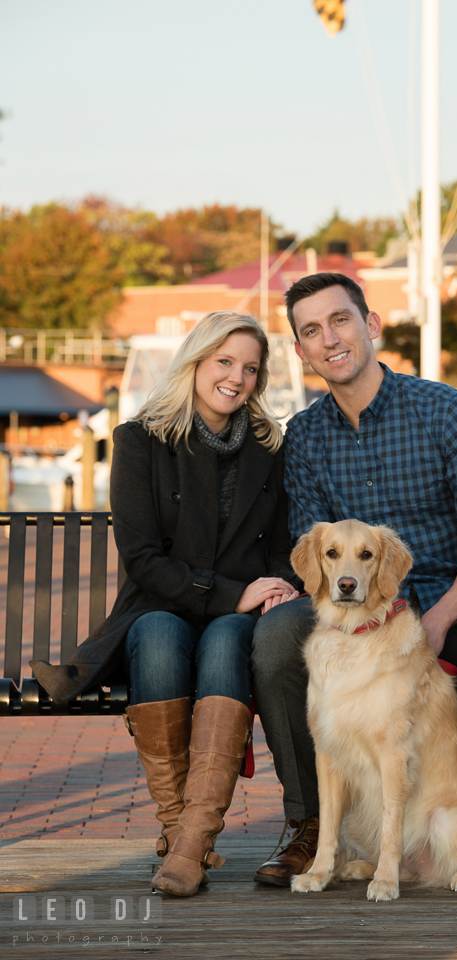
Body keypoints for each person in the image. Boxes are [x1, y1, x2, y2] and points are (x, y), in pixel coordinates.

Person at [251, 273, 457, 894]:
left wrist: (440, 618)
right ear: (301, 353)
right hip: (363, 624)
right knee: (277, 636)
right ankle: (312, 826)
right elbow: (315, 556)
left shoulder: (444, 410)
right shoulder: (305, 438)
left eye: (340, 320)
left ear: (371, 326)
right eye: (311, 330)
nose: (328, 338)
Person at [31, 312, 300, 898]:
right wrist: (233, 591)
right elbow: (143, 558)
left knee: (229, 639)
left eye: (250, 368)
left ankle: (187, 842)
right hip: (160, 605)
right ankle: (184, 835)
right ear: (197, 361)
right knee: (156, 632)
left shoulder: (270, 449)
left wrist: (274, 587)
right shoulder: (141, 440)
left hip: (234, 618)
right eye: (224, 361)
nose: (236, 378)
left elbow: (282, 549)